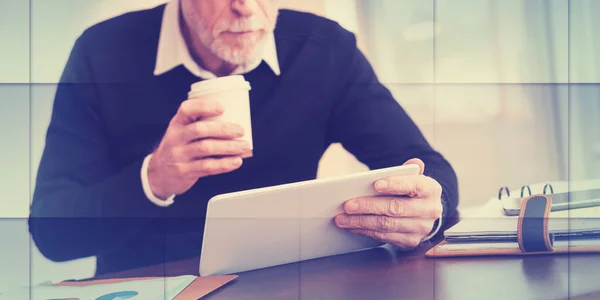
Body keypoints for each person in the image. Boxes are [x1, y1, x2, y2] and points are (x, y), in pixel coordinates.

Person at [29, 0, 458, 276]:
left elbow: (428, 170)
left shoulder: (323, 50)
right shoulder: (101, 53)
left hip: (287, 282)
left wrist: (424, 211)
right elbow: (53, 234)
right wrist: (153, 180)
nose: (246, 8)